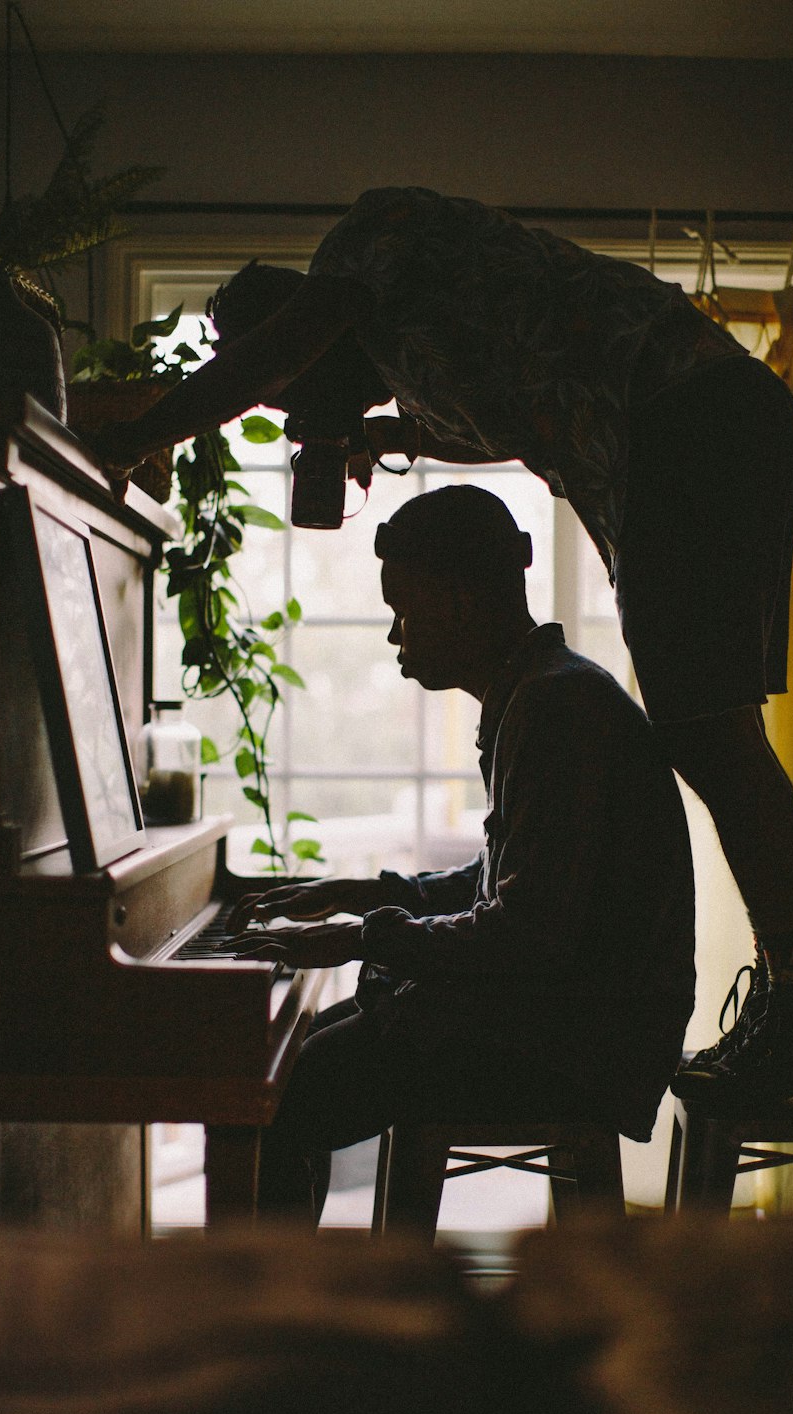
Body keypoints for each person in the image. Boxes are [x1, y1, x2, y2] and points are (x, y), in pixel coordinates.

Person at [95, 186, 793, 1105]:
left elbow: (281, 351)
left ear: (300, 342)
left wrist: (143, 432)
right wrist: (386, 434)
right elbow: (500, 421)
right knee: (713, 729)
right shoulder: (423, 354)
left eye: (292, 404)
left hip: (689, 420)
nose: (304, 427)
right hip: (686, 434)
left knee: (707, 734)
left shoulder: (366, 242)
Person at [216, 484, 695, 1221]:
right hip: (576, 1018)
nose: (392, 633)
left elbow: (526, 930)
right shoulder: (542, 690)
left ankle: (283, 1322)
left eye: (401, 609)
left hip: (586, 1046)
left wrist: (355, 937)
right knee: (300, 1055)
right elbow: (498, 882)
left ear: (461, 601)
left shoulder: (555, 708)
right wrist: (352, 892)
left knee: (287, 1088)